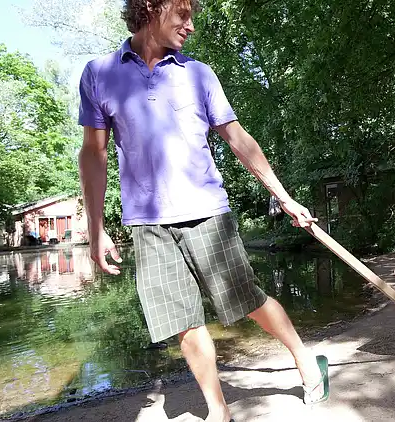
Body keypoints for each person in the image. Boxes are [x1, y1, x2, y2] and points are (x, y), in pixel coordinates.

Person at [76, 1, 328, 421]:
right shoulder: (99, 74)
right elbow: (93, 154)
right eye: (182, 13)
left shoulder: (198, 74)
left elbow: (239, 139)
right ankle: (219, 410)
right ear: (152, 8)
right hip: (148, 223)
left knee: (249, 300)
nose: (190, 25)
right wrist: (95, 227)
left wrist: (285, 197)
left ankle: (303, 358)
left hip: (207, 213)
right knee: (184, 323)